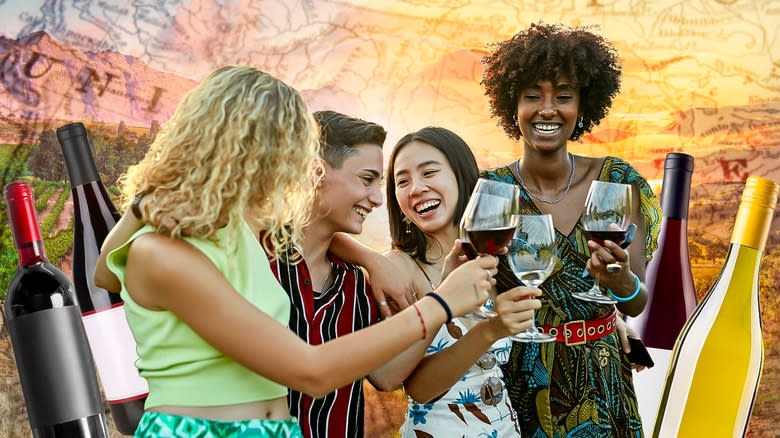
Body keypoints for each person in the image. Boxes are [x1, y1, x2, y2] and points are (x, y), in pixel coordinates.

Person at [99, 65, 497, 437]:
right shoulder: (163, 254)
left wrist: (368, 257)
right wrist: (441, 302)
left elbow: (307, 231)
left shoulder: (244, 231)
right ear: (238, 146)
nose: (299, 169)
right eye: (289, 149)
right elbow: (311, 371)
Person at [479, 23, 662, 437]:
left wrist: (620, 279)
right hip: (524, 383)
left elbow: (636, 303)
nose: (548, 109)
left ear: (582, 106)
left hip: (603, 385)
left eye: (563, 96)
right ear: (512, 105)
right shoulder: (491, 191)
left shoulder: (617, 181)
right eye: (532, 96)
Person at [269, 110, 431, 438]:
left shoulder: (355, 283)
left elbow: (386, 378)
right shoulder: (256, 261)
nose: (376, 199)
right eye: (366, 179)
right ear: (317, 171)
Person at [384, 126, 542, 437]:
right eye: (402, 181)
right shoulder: (398, 269)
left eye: (429, 172)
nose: (416, 188)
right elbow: (420, 389)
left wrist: (613, 321)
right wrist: (488, 331)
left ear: (462, 177)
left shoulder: (493, 259)